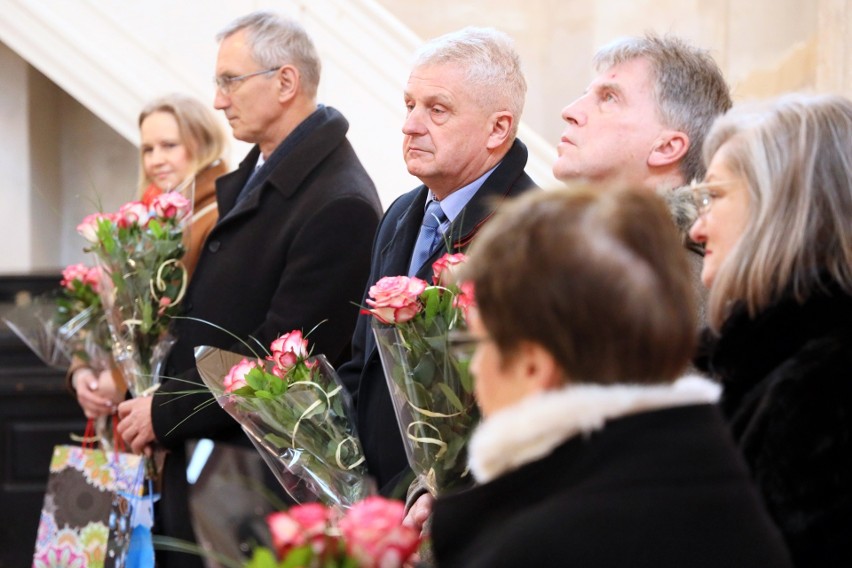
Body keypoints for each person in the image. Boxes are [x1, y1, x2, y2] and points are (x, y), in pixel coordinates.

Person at [116, 11, 382, 567]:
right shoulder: (267, 169)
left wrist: (164, 412)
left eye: (230, 81)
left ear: (285, 83)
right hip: (215, 458)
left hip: (255, 475)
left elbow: (275, 354)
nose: (217, 100)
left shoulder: (338, 201)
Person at [430, 187, 792, 568]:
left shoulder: (544, 543)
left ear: (533, 366)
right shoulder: (714, 476)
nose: (473, 367)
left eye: (478, 343)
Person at [336, 26, 537, 498]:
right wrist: (331, 461)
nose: (410, 125)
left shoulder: (531, 233)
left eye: (437, 109)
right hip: (378, 501)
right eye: (410, 105)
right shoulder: (402, 212)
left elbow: (519, 405)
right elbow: (364, 363)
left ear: (498, 128)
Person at [689, 94, 852, 566]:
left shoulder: (821, 390)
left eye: (715, 196)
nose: (698, 229)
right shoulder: (752, 360)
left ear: (784, 206)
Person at [69, 94, 229, 420]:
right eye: (147, 149)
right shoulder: (147, 219)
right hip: (136, 399)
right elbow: (114, 315)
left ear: (204, 142)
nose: (156, 160)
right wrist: (83, 370)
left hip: (181, 402)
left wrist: (116, 380)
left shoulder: (218, 214)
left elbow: (167, 321)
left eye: (169, 145)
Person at [552, 33, 731, 322]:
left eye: (609, 98)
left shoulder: (675, 287)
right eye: (587, 94)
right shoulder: (581, 256)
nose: (570, 111)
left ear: (666, 147)